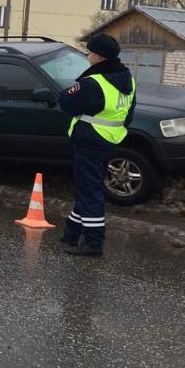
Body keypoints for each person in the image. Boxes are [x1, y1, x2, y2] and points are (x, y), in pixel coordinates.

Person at [58, 33, 136, 257]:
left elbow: (66, 102)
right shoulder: (127, 79)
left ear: (99, 56)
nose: (88, 55)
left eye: (90, 52)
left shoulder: (95, 83)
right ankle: (71, 233)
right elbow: (129, 115)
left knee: (90, 191)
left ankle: (93, 242)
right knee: (86, 187)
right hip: (110, 138)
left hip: (90, 139)